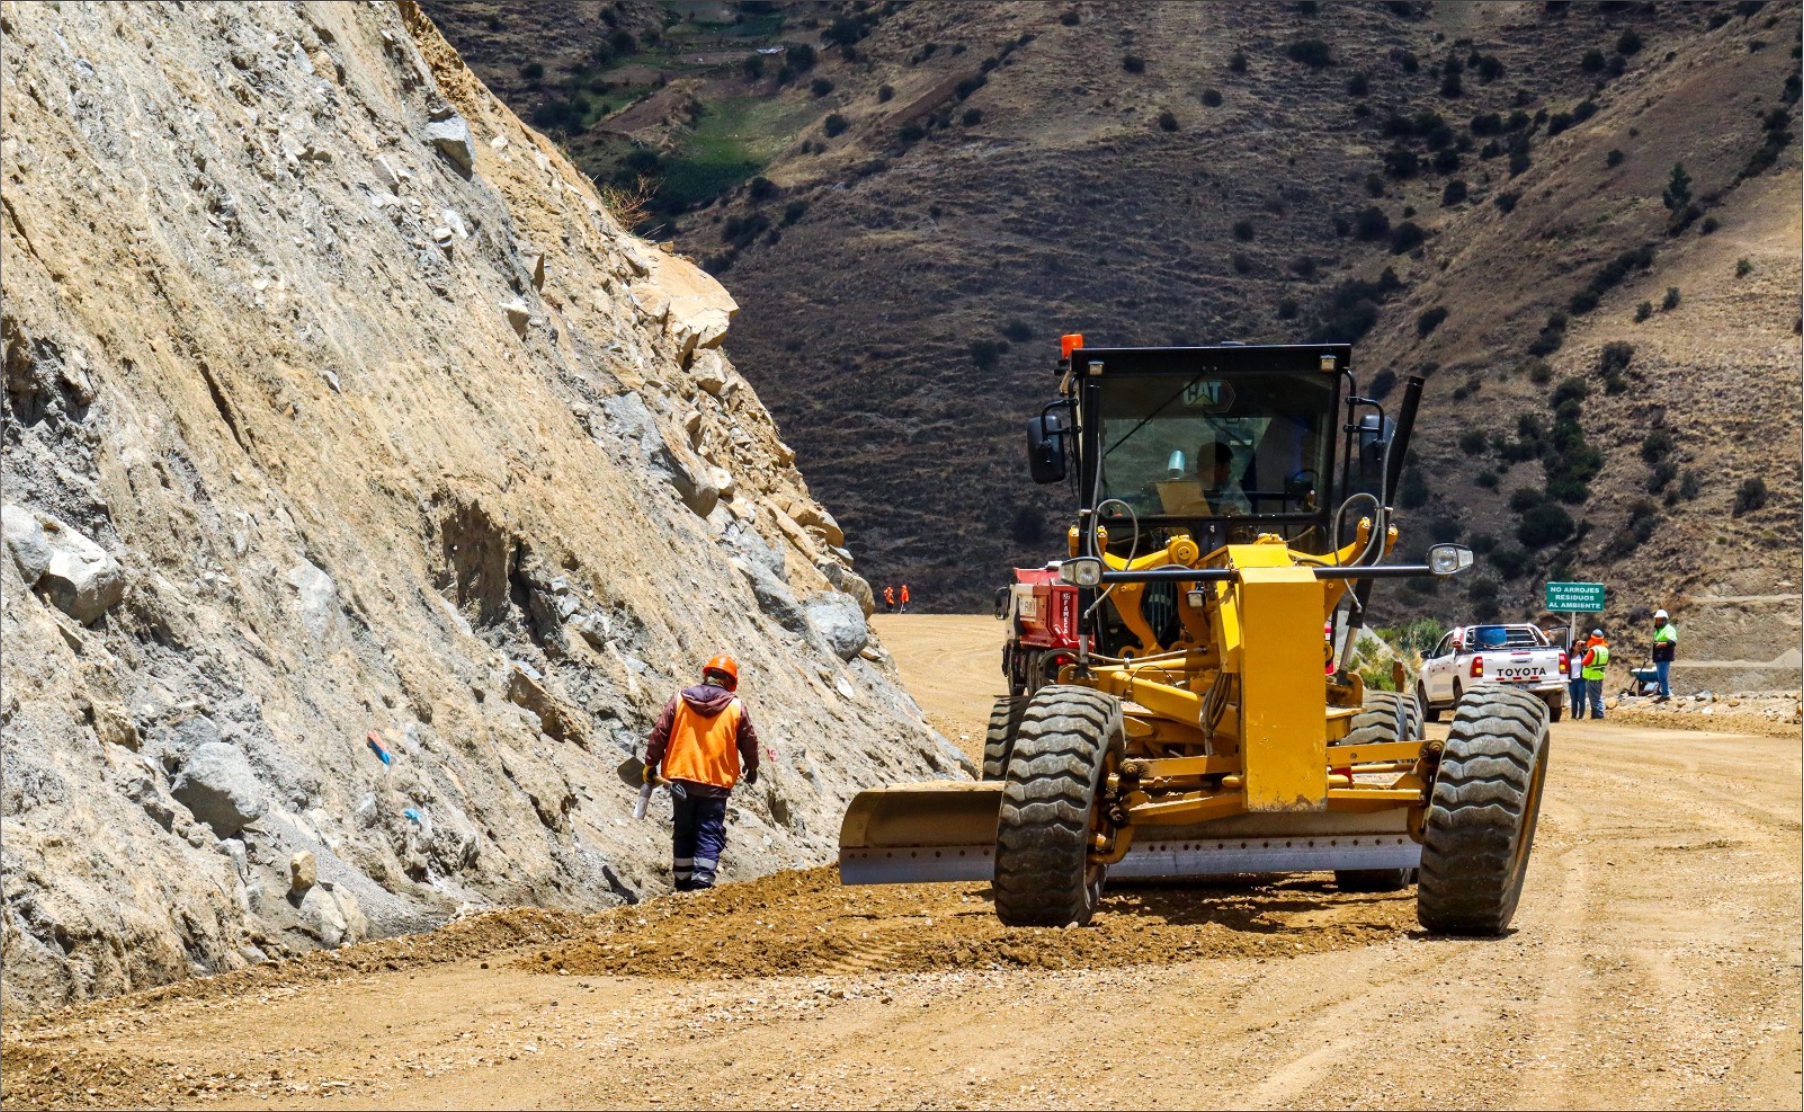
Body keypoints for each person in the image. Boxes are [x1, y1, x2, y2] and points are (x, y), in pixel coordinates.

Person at [643, 655, 759, 891]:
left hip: (680, 778)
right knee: (709, 829)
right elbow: (749, 741)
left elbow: (660, 733)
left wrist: (649, 764)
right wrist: (752, 766)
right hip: (715, 783)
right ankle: (702, 882)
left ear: (707, 674)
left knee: (684, 827)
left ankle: (682, 882)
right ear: (730, 682)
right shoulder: (736, 706)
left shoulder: (680, 699)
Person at [1198, 442, 1251, 515]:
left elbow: (1245, 514)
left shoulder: (1231, 488)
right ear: (1216, 467)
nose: (1229, 471)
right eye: (1228, 465)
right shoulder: (1185, 486)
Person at [1580, 629, 1610, 720]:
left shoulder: (1593, 650)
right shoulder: (1605, 649)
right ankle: (1594, 716)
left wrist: (1584, 656)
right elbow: (1606, 662)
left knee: (1595, 698)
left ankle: (1600, 716)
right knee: (1596, 696)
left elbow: (1585, 662)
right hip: (1599, 676)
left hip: (1591, 677)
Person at [1651, 608, 1678, 701]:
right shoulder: (1658, 631)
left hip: (1664, 655)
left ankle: (1666, 694)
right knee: (1660, 676)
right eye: (1657, 620)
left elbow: (1673, 642)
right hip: (1658, 655)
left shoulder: (1669, 629)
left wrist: (1662, 644)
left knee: (1662, 676)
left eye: (1660, 620)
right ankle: (1665, 693)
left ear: (1664, 620)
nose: (1658, 622)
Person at [1567, 633, 1589, 720]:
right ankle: (1573, 716)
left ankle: (1581, 716)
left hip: (1581, 680)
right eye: (1577, 645)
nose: (1579, 647)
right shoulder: (1568, 656)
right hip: (1572, 681)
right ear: (1572, 647)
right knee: (1574, 700)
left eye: (1580, 645)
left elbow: (1592, 648)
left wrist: (1584, 643)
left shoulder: (1583, 654)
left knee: (1581, 699)